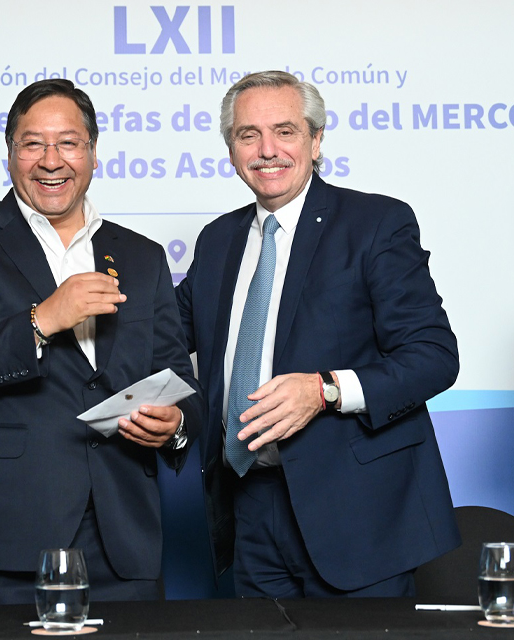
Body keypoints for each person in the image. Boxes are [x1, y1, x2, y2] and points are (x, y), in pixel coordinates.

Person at [0, 79, 201, 605]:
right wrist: (41, 320)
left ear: (92, 152)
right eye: (33, 143)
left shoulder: (140, 255)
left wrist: (176, 424)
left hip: (122, 539)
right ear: (10, 153)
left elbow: (178, 379)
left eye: (68, 142)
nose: (51, 160)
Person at [176, 71, 461, 598]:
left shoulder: (377, 223)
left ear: (316, 138)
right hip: (250, 509)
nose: (267, 150)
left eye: (285, 131)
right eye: (248, 135)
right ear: (231, 148)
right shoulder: (217, 241)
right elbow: (163, 332)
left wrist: (325, 389)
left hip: (358, 514)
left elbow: (435, 357)